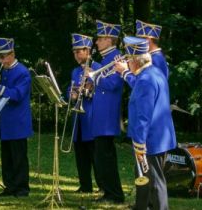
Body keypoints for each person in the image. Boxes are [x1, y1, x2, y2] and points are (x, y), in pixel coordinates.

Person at [124, 36, 176, 210]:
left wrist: (139, 143)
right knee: (144, 180)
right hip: (160, 136)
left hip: (150, 139)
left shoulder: (145, 79)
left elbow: (143, 116)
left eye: (128, 59)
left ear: (135, 61)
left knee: (154, 182)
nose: (127, 63)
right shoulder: (154, 72)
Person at [0, 37, 32, 197]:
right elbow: (0, 95)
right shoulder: (4, 71)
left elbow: (17, 95)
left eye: (3, 56)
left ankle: (22, 189)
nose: (1, 60)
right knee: (7, 158)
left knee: (19, 157)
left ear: (12, 54)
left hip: (18, 121)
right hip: (5, 121)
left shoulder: (22, 72)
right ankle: (10, 187)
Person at [88, 20, 125, 204]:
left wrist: (94, 73)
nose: (96, 42)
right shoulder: (105, 58)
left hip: (108, 115)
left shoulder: (117, 58)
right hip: (101, 114)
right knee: (101, 157)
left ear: (110, 40)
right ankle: (108, 192)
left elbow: (114, 84)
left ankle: (115, 194)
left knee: (106, 157)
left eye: (100, 39)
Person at [66, 33, 99, 194]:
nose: (76, 55)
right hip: (78, 119)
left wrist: (85, 91)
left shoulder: (97, 67)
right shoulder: (74, 71)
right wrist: (72, 94)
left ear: (88, 50)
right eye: (74, 52)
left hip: (91, 117)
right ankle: (85, 185)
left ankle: (102, 186)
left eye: (79, 51)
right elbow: (70, 89)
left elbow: (99, 92)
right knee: (81, 155)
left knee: (94, 155)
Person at [118, 20, 168, 88]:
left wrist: (125, 72)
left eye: (140, 38)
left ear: (148, 40)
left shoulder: (156, 58)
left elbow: (142, 85)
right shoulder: (154, 56)